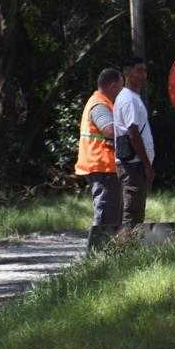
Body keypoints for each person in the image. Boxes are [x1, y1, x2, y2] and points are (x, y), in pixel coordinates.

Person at [74, 68, 124, 226]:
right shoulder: (100, 104)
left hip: (103, 166)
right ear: (113, 86)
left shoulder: (101, 102)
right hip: (102, 167)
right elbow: (109, 130)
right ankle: (98, 248)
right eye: (121, 86)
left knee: (110, 213)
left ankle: (106, 248)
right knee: (105, 215)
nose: (122, 91)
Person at [113, 57, 154, 226]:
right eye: (139, 70)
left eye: (145, 71)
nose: (143, 75)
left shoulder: (132, 97)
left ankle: (130, 249)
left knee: (136, 213)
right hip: (134, 166)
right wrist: (147, 165)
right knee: (132, 215)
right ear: (127, 73)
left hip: (135, 165)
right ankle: (125, 251)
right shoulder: (128, 99)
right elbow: (133, 133)